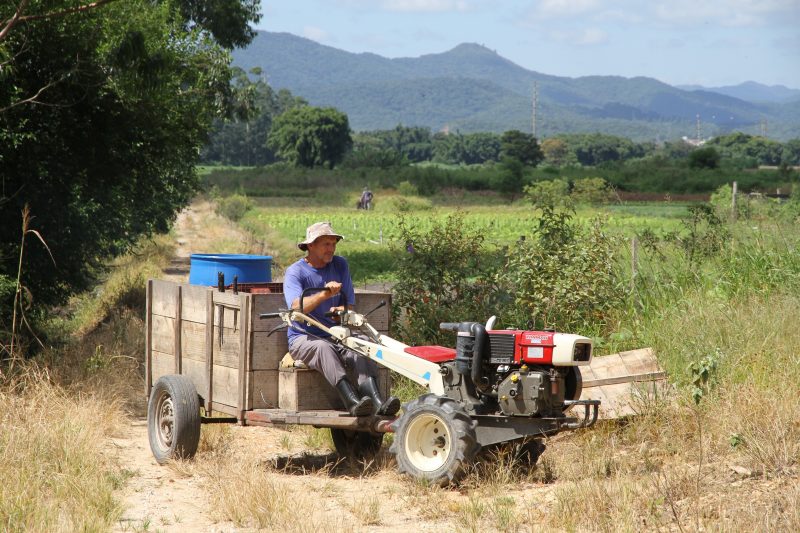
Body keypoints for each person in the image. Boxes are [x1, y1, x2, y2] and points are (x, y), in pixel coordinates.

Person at [283, 221, 400, 417]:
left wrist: (341, 310)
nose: (331, 249)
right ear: (310, 245)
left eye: (333, 244)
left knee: (362, 345)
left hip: (336, 334)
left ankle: (377, 402)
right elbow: (296, 307)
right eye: (326, 244)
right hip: (303, 337)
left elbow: (349, 305)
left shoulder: (340, 264)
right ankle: (352, 402)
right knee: (323, 348)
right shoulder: (295, 272)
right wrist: (324, 294)